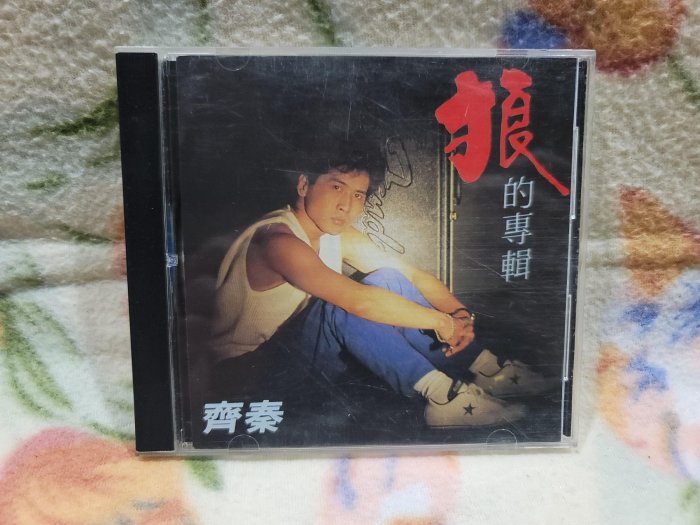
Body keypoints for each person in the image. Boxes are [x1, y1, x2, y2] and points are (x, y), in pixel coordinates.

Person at [210, 136, 551, 428]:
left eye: (359, 195)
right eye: (336, 187)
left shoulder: (335, 235)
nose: (346, 206)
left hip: (297, 361)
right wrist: (440, 322)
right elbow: (359, 302)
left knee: (387, 277)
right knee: (344, 305)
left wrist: (460, 315)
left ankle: (489, 371)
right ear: (304, 186)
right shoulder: (277, 240)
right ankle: (443, 398)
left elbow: (412, 276)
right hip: (248, 379)